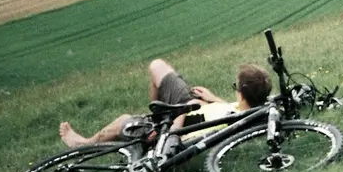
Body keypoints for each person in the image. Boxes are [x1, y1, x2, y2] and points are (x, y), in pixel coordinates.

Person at [58, 59, 272, 148]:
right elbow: (231, 110)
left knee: (123, 121)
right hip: (190, 105)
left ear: (242, 95)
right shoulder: (247, 111)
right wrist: (212, 98)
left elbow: (185, 135)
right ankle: (154, 115)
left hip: (176, 122)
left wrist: (178, 116)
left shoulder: (226, 122)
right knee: (157, 66)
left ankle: (84, 145)